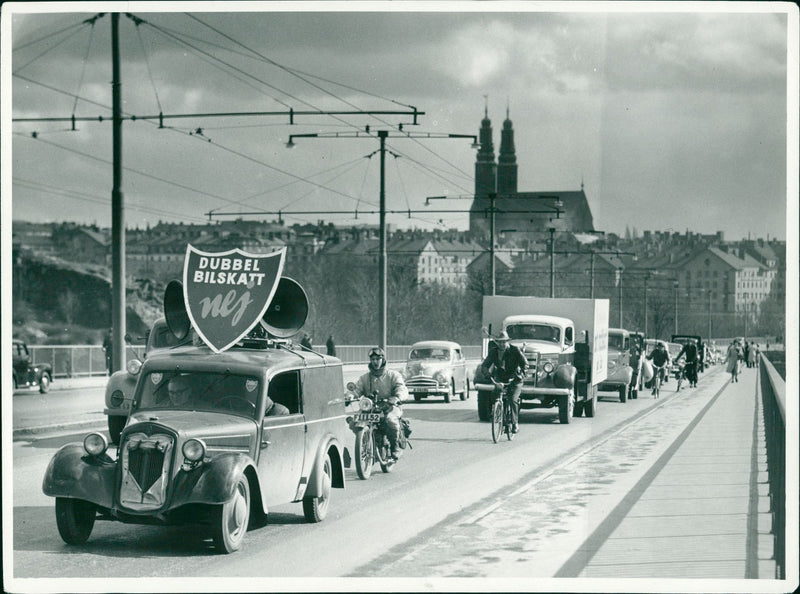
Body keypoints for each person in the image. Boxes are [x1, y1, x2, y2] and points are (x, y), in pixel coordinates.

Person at [354, 347, 409, 460]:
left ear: (383, 359)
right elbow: (356, 389)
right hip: (371, 407)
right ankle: (366, 441)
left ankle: (395, 447)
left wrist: (397, 397)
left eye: (378, 359)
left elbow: (401, 388)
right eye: (373, 359)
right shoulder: (365, 378)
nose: (375, 362)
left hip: (390, 406)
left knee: (391, 421)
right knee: (354, 422)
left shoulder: (393, 375)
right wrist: (349, 395)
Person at [480, 330, 528, 434]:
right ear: (497, 342)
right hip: (501, 379)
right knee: (495, 395)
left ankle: (515, 423)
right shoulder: (493, 352)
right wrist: (487, 374)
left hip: (515, 379)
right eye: (499, 342)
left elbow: (525, 364)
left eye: (504, 342)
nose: (502, 344)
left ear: (508, 342)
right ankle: (498, 415)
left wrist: (521, 374)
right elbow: (485, 365)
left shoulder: (515, 350)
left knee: (512, 398)